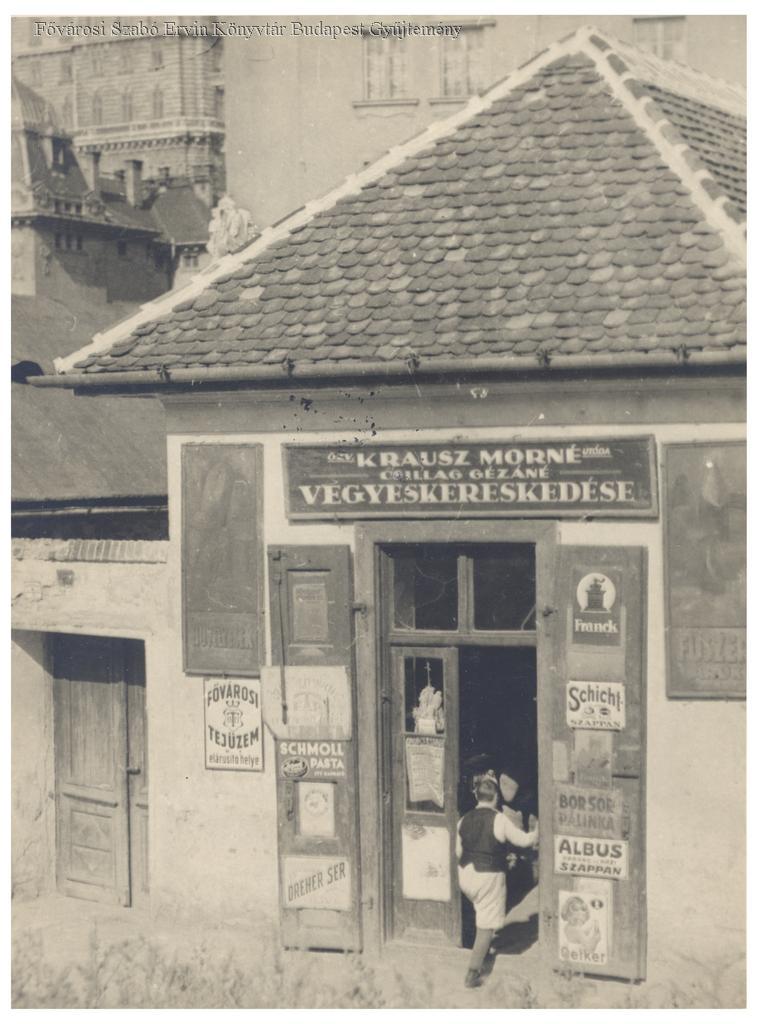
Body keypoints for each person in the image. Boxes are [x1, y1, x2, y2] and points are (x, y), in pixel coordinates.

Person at [456, 770, 539, 989]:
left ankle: (477, 944)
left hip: (465, 875)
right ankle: (473, 972)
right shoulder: (499, 819)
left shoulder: (463, 820)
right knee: (486, 926)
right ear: (495, 798)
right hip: (488, 875)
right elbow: (523, 841)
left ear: (477, 796)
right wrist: (536, 833)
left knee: (479, 909)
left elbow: (457, 852)